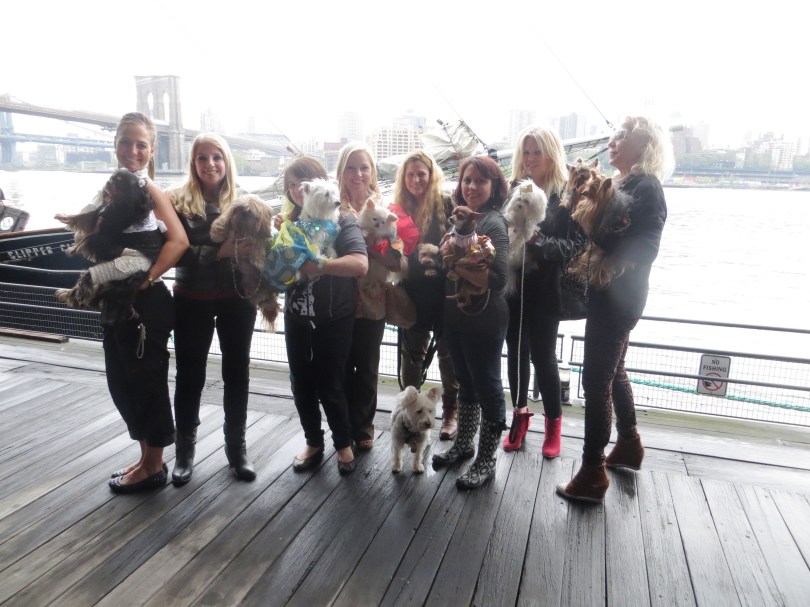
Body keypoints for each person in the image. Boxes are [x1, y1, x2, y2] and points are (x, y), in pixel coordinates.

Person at [557, 115, 672, 503]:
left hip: (618, 298)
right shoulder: (623, 183)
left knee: (595, 381)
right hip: (613, 296)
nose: (612, 141)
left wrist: (605, 244)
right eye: (613, 135)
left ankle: (592, 472)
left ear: (644, 145)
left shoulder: (647, 186)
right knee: (614, 370)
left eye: (621, 136)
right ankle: (629, 444)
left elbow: (647, 246)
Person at [104, 112, 189, 493]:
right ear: (115, 144)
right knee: (122, 382)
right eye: (126, 141)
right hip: (117, 302)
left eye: (141, 144)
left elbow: (179, 240)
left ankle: (153, 466)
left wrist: (148, 277)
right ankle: (145, 458)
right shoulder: (115, 188)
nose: (133, 150)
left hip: (145, 305)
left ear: (152, 150)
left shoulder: (149, 190)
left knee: (147, 383)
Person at [168, 133, 258, 485]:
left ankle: (237, 448)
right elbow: (172, 250)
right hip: (192, 296)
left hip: (238, 296)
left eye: (217, 157)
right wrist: (217, 253)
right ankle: (184, 451)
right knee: (190, 374)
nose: (210, 164)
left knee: (237, 372)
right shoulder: (177, 201)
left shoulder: (245, 200)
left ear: (227, 161)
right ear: (193, 163)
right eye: (202, 158)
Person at [282, 157, 368, 475]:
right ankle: (313, 441)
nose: (296, 190)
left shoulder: (342, 220)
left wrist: (315, 265)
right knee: (300, 382)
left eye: (301, 183)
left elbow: (360, 264)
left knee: (331, 382)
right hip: (296, 316)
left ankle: (343, 443)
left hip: (334, 317)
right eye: (291, 185)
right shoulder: (289, 223)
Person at [503, 127, 585, 456]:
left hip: (547, 287)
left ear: (552, 154)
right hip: (515, 285)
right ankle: (519, 416)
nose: (531, 158)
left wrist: (537, 240)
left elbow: (573, 245)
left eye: (538, 151)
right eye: (526, 152)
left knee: (543, 356)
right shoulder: (514, 188)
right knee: (515, 352)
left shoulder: (566, 196)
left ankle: (554, 425)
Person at [432, 155, 510, 490]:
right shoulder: (458, 219)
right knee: (465, 382)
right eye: (466, 180)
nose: (472, 186)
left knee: (489, 386)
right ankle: (464, 445)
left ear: (494, 186)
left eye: (480, 180)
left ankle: (487, 459)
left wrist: (453, 264)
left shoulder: (492, 223)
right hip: (456, 317)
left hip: (485, 319)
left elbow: (499, 279)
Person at [338, 142, 401, 451]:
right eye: (351, 167)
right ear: (341, 171)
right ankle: (340, 426)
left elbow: (398, 261)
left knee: (366, 367)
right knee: (338, 366)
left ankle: (363, 427)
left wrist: (376, 248)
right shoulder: (330, 206)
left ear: (372, 171)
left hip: (372, 299)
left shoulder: (386, 210)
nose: (358, 174)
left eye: (364, 167)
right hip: (336, 301)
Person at [394, 150, 460, 439]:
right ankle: (409, 410)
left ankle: (450, 412)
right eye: (410, 175)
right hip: (413, 293)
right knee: (411, 357)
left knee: (448, 355)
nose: (416, 180)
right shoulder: (400, 207)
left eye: (421, 174)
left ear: (432, 175)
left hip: (444, 292)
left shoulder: (446, 204)